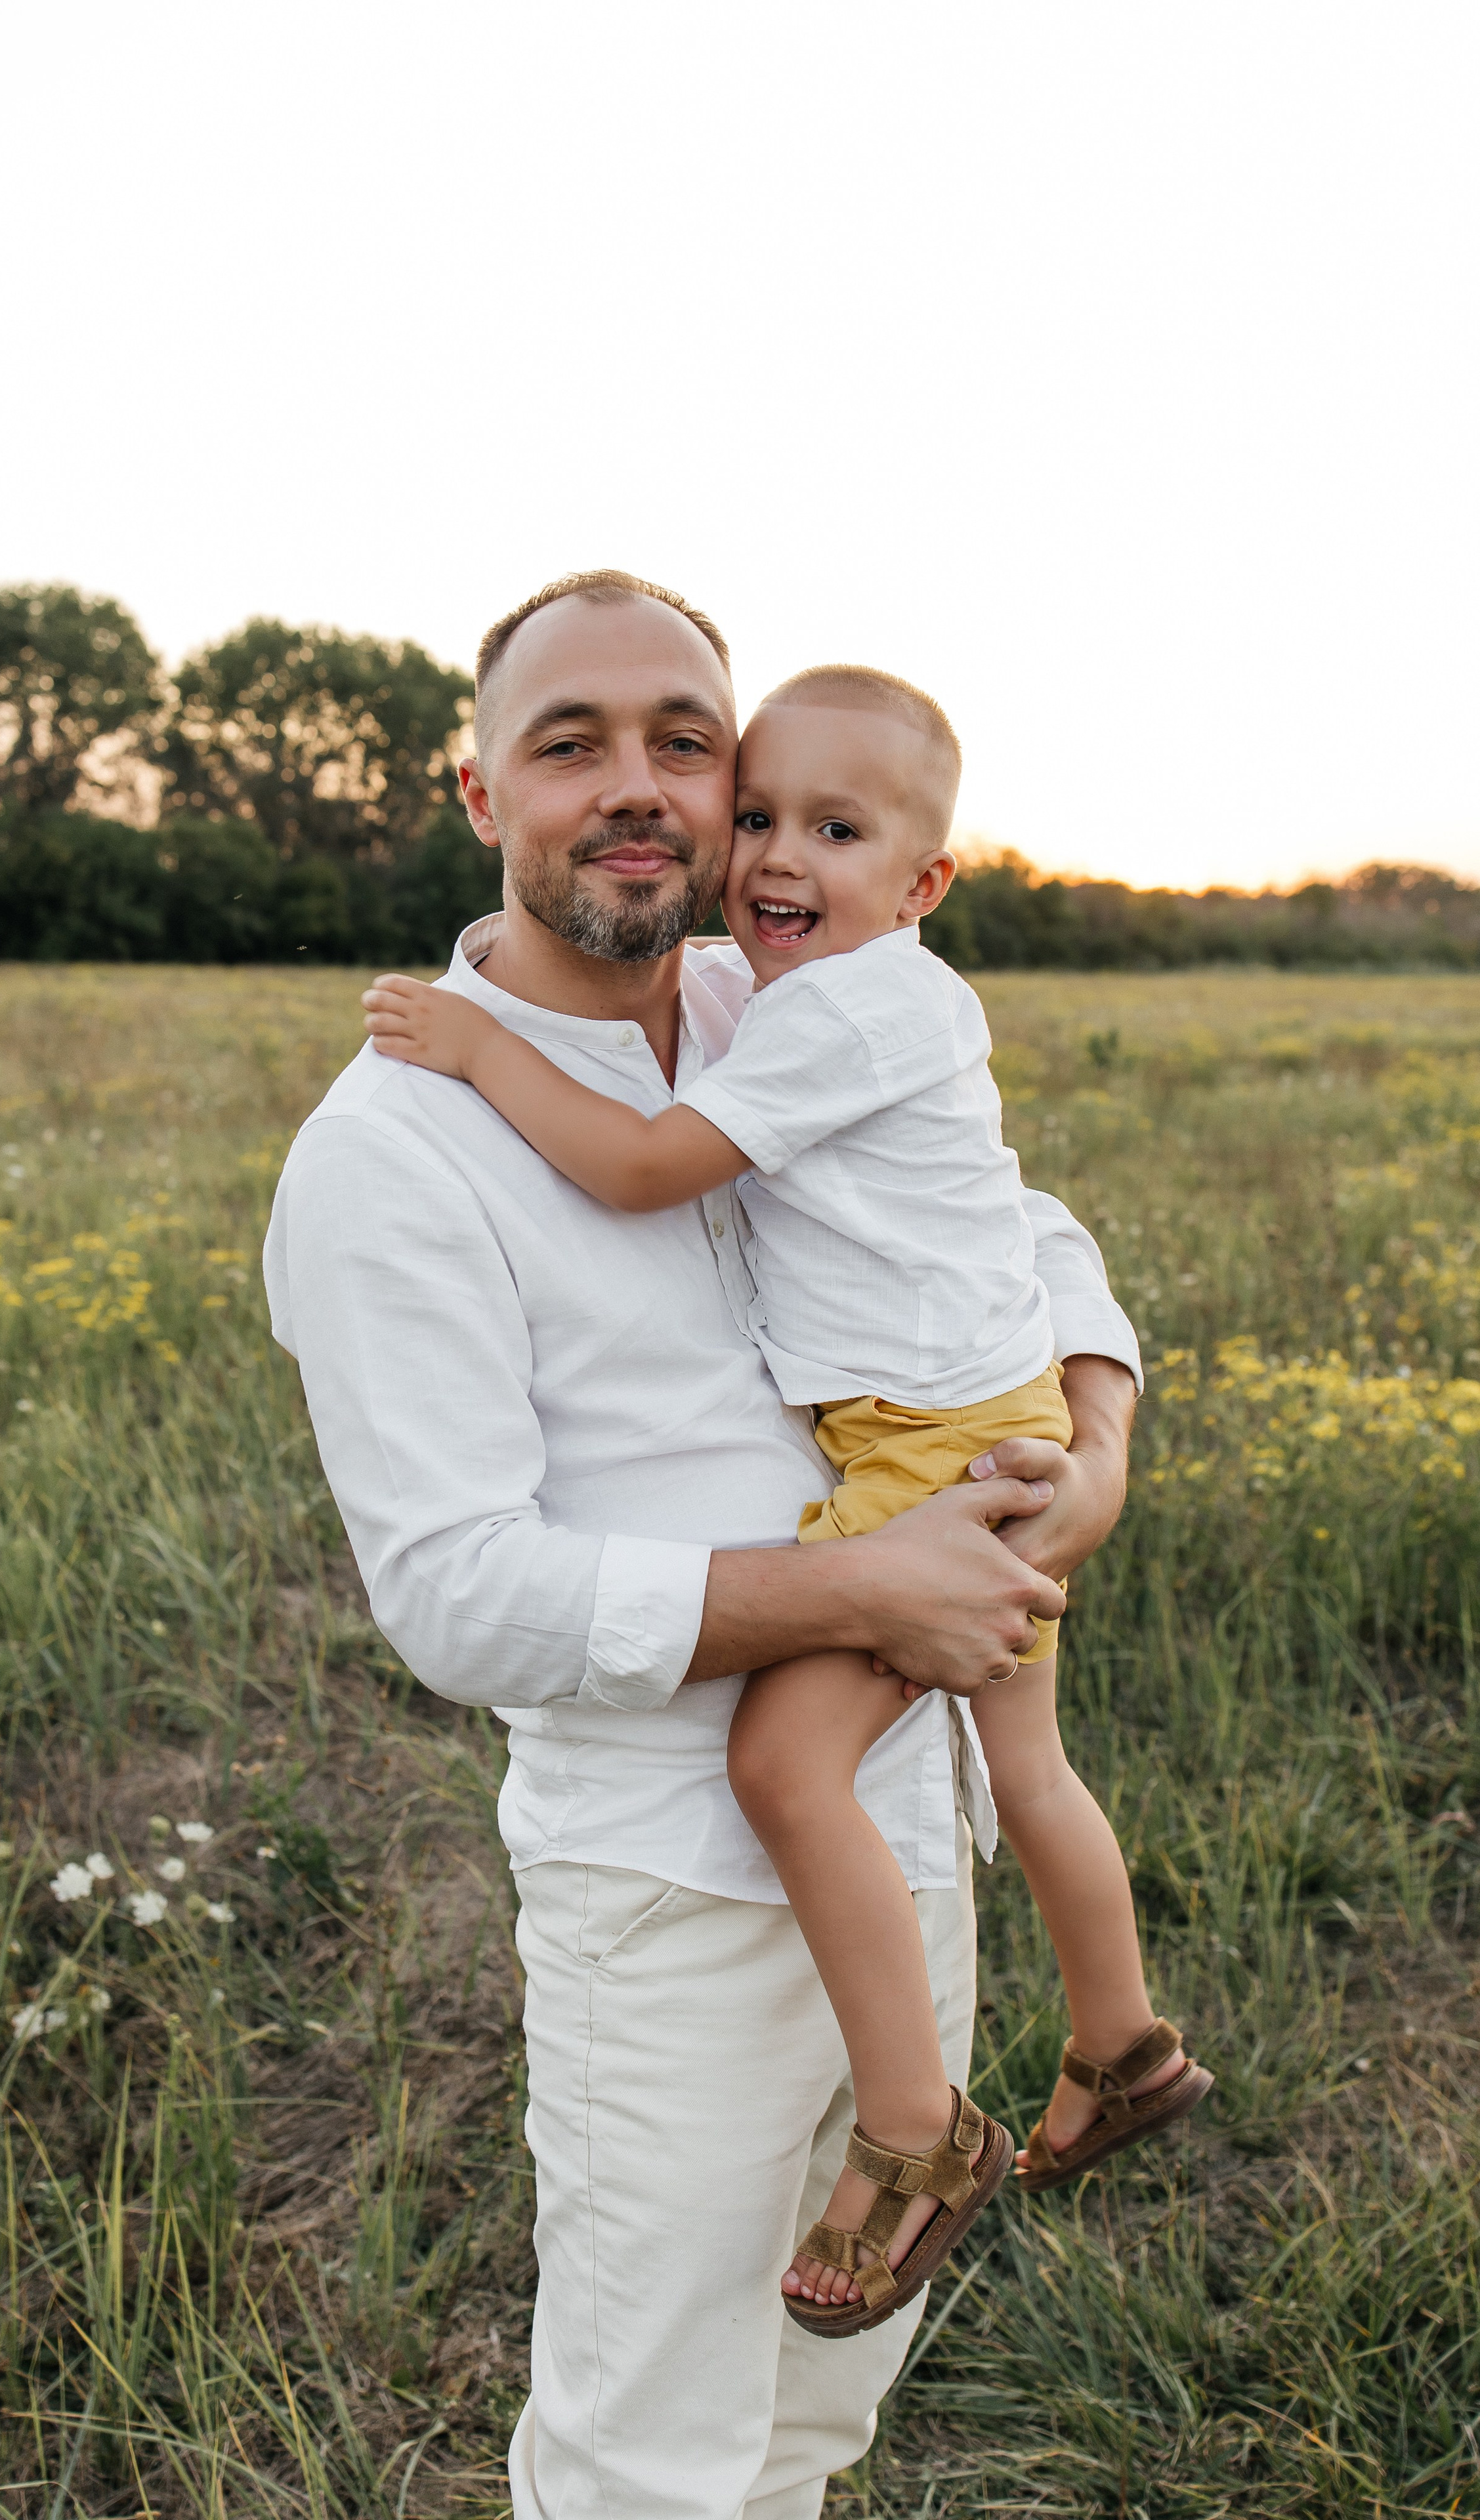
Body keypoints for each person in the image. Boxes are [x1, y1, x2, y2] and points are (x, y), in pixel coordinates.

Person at [264, 571, 1141, 2518]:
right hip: (674, 1894)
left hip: (915, 1841)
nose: (639, 786)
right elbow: (458, 1596)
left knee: (816, 2426)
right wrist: (862, 1590)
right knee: (648, 2461)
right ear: (480, 790)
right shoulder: (394, 1149)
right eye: (571, 743)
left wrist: (1096, 1427)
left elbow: (1004, 1218)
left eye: (686, 739)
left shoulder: (791, 992)